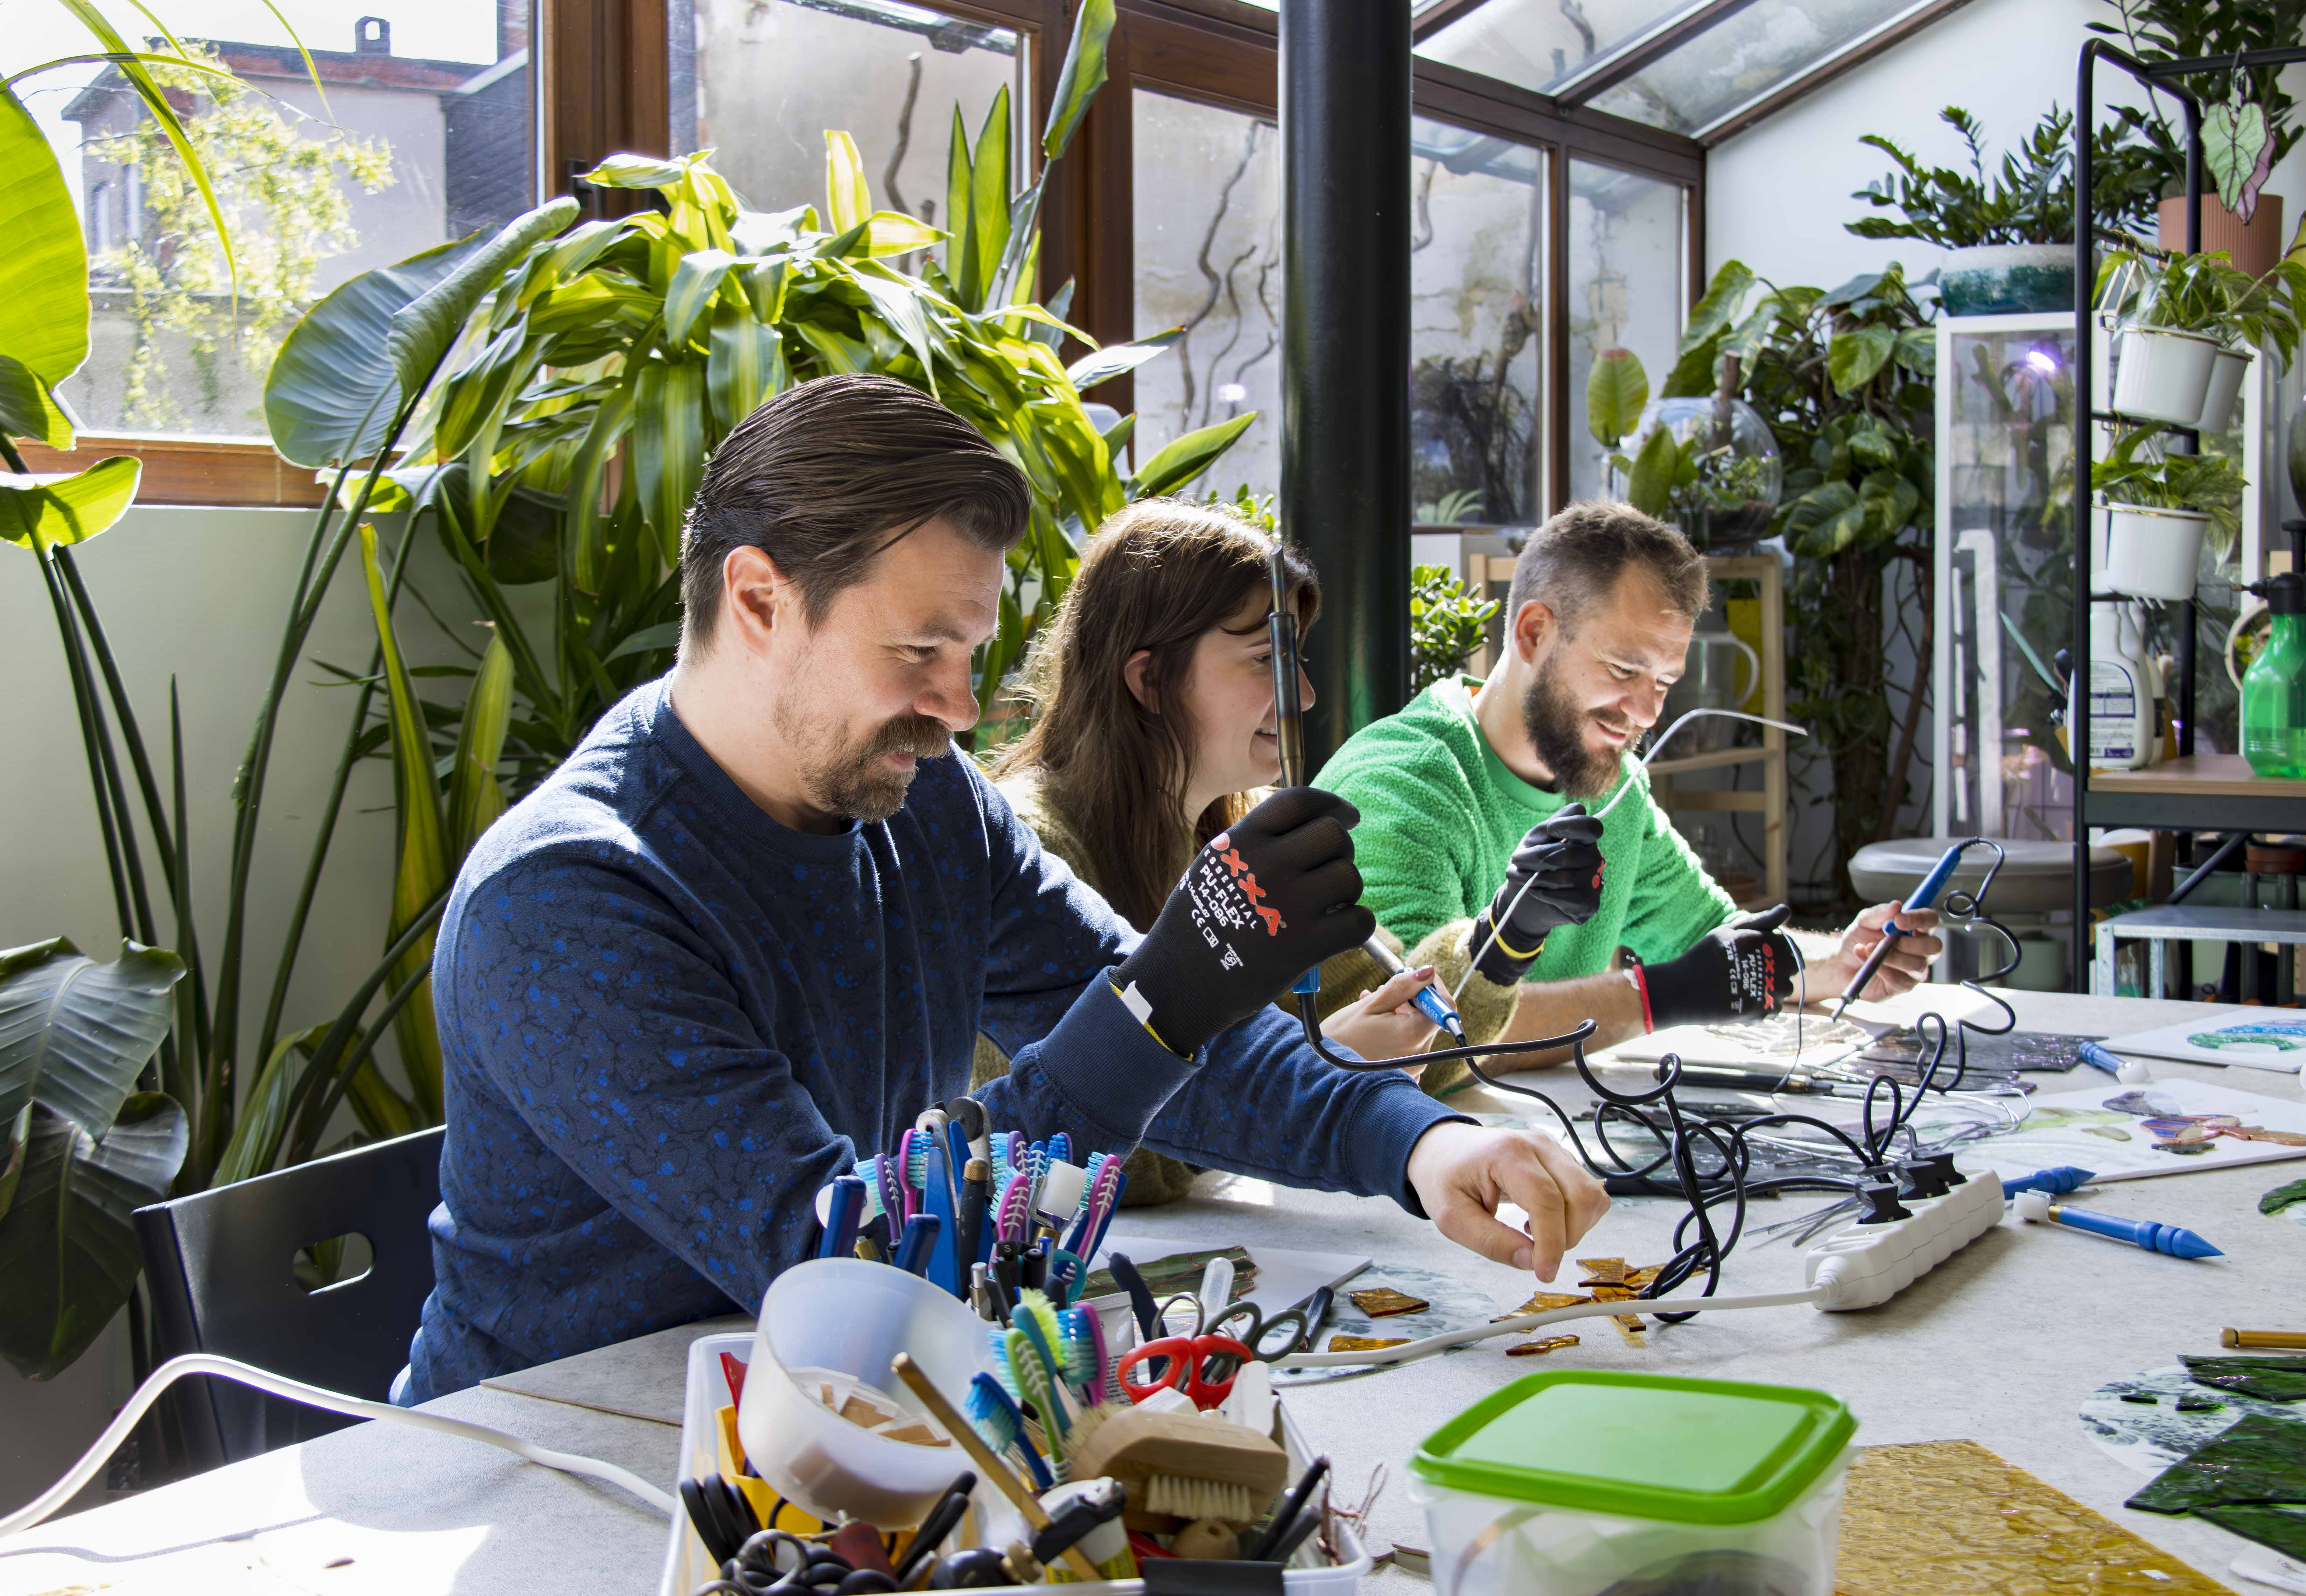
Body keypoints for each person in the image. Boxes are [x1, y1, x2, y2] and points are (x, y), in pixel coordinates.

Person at [400, 376, 1606, 1400]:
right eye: (918, 652)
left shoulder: (925, 804)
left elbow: (1169, 1040)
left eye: (969, 655)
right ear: (759, 601)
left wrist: (1421, 1144)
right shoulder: (572, 900)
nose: (961, 710)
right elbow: (846, 1267)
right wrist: (1162, 1005)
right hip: (559, 1447)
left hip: (833, 1418)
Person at [973, 500, 1515, 1180]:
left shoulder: (1237, 826)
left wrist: (1509, 935)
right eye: (1268, 659)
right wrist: (1319, 1071)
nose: (1307, 695)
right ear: (1149, 679)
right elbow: (1053, 1142)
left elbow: (1391, 1022)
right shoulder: (1032, 848)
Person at [1316, 500, 1940, 1069]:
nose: (1646, 713)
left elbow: (1712, 941)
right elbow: (1421, 1037)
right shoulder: (1402, 787)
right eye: (1624, 669)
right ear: (1534, 633)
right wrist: (1654, 999)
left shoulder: (1612, 789)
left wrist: (1845, 960)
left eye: (1665, 682)